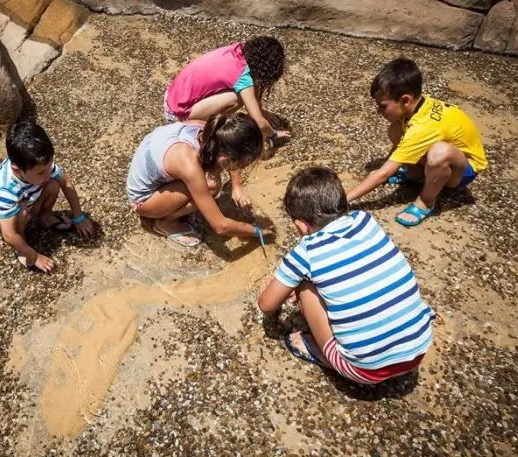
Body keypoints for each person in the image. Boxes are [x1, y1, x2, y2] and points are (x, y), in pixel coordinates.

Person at [258, 167, 434, 384]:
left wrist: (277, 291)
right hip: (418, 349)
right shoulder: (366, 221)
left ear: (300, 225)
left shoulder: (306, 253)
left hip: (366, 371)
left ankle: (315, 348)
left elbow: (266, 305)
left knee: (303, 286)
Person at [346, 58, 487, 227]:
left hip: (463, 170)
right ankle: (416, 173)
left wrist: (344, 201)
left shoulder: (422, 128)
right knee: (396, 129)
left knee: (440, 153)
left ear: (405, 100)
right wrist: (390, 168)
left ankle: (426, 201)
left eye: (383, 106)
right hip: (446, 154)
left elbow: (382, 174)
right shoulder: (419, 104)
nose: (378, 111)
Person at [164, 36, 290, 211]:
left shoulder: (236, 52)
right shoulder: (243, 79)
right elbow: (260, 124)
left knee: (241, 93)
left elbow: (251, 88)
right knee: (237, 98)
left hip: (173, 96)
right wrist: (273, 134)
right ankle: (207, 125)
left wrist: (260, 110)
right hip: (179, 113)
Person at [126, 113, 274, 247]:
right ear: (227, 158)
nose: (241, 167)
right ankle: (165, 222)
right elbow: (221, 226)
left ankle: (175, 205)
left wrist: (237, 185)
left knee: (209, 178)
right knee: (212, 185)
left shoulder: (213, 130)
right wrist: (256, 230)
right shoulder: (188, 164)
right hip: (144, 201)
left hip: (160, 167)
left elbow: (230, 152)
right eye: (243, 163)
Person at [0, 120, 94, 272]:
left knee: (53, 183)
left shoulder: (40, 166)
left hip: (30, 201)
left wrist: (79, 216)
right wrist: (35, 256)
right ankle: (22, 244)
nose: (48, 172)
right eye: (41, 172)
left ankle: (45, 216)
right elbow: (8, 234)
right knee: (21, 211)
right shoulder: (4, 189)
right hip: (5, 219)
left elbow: (66, 183)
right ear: (17, 170)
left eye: (50, 166)